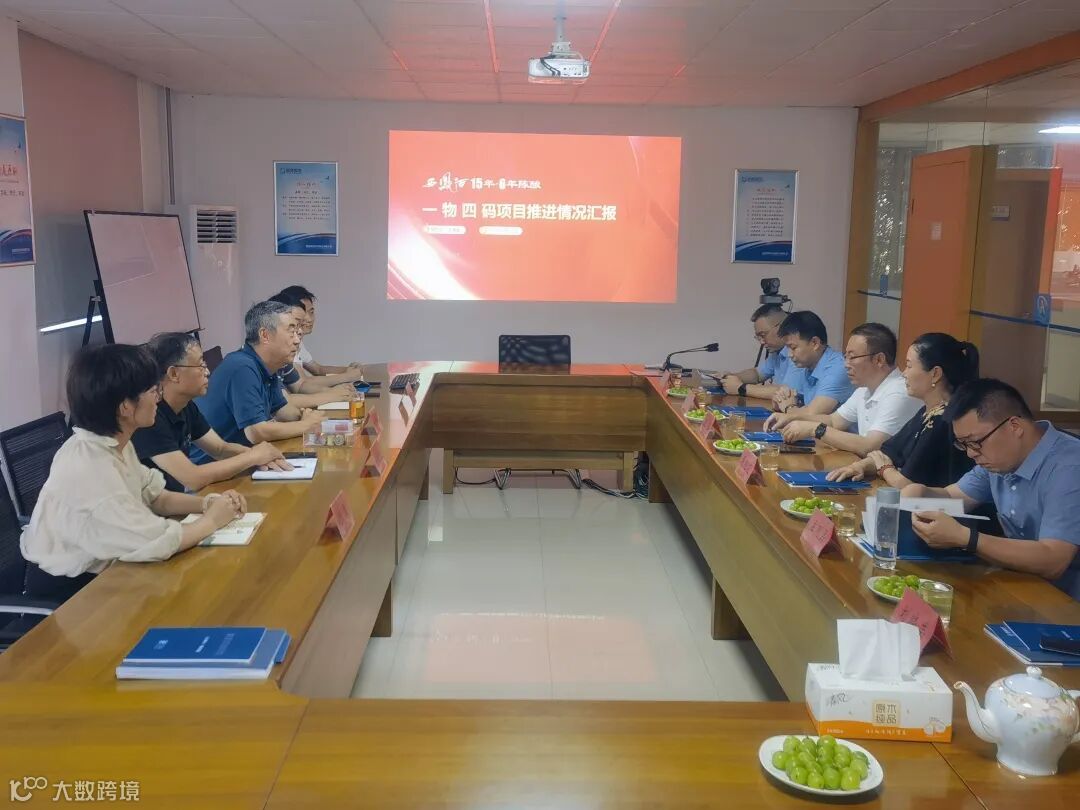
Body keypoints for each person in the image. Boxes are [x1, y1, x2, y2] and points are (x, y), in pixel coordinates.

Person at [20, 344, 247, 600]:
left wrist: (207, 503)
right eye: (152, 391)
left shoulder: (112, 442)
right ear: (125, 407)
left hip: (110, 567)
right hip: (73, 593)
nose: (158, 398)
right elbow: (158, 542)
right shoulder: (93, 471)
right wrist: (212, 521)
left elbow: (155, 496)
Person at [902, 379, 1080, 601]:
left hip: (1067, 602)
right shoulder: (999, 460)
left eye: (975, 442)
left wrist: (967, 539)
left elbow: (1054, 560)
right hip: (1023, 585)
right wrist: (921, 493)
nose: (971, 453)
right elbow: (955, 496)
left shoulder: (1070, 467)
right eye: (963, 444)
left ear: (1014, 426)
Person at [133, 332, 292, 493]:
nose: (207, 371)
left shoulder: (186, 406)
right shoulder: (149, 416)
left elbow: (220, 449)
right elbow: (193, 478)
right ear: (174, 374)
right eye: (200, 365)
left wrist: (261, 456)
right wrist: (252, 457)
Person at [827, 333, 979, 488]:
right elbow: (889, 452)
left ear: (935, 374)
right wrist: (858, 467)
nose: (904, 374)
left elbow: (906, 483)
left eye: (909, 366)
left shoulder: (942, 419)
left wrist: (884, 468)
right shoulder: (927, 411)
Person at [193, 300, 323, 461]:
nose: (297, 341)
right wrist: (305, 425)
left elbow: (283, 411)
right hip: (212, 466)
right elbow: (256, 432)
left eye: (297, 333)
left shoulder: (268, 365)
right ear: (265, 335)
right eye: (291, 332)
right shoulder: (242, 367)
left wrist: (307, 416)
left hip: (243, 458)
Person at [765, 323, 920, 456]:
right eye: (845, 357)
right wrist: (790, 418)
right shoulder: (864, 389)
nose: (846, 364)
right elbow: (834, 421)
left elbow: (870, 445)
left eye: (852, 357)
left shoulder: (899, 392)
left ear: (879, 359)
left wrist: (815, 429)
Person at [267, 292, 361, 403]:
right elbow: (286, 401)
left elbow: (301, 384)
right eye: (294, 323)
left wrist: (336, 391)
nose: (308, 319)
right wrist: (343, 381)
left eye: (311, 312)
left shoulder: (287, 349)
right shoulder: (255, 363)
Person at [763, 311, 855, 423]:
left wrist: (788, 408)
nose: (789, 354)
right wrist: (780, 399)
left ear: (815, 343)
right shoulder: (807, 364)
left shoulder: (838, 369)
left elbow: (812, 415)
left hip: (843, 433)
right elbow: (789, 398)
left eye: (793, 348)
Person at [277, 285, 365, 381]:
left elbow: (317, 369)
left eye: (311, 312)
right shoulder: (285, 343)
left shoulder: (297, 341)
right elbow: (302, 384)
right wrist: (347, 376)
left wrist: (351, 370)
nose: (309, 319)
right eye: (303, 313)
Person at [718, 303, 792, 400]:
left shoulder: (798, 353)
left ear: (781, 327)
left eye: (763, 335)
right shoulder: (777, 351)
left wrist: (741, 388)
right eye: (758, 337)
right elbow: (757, 374)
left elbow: (787, 392)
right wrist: (730, 377)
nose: (761, 342)